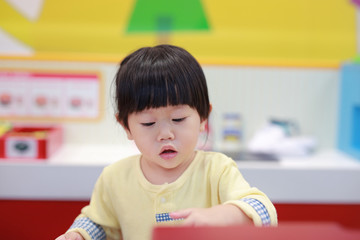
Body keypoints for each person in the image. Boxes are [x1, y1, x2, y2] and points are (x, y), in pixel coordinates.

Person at [56, 44, 277, 240]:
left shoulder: (217, 170)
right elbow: (99, 223)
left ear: (202, 118)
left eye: (178, 119)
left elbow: (264, 212)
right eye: (148, 123)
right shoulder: (114, 178)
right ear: (126, 126)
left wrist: (222, 214)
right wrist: (78, 234)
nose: (165, 134)